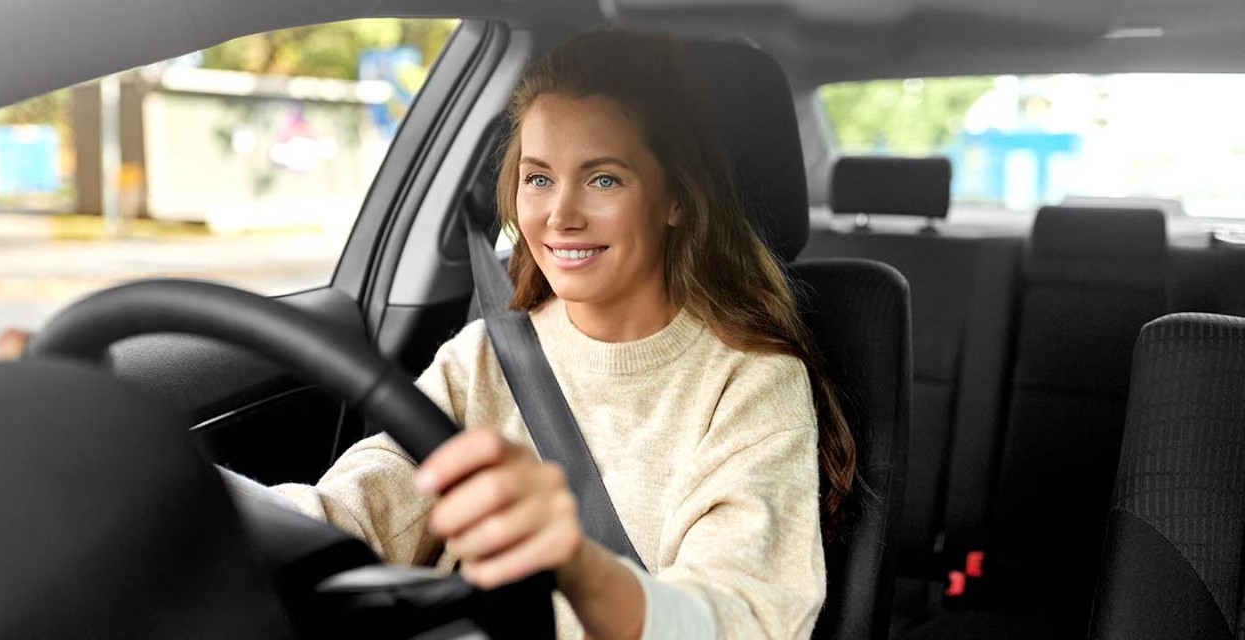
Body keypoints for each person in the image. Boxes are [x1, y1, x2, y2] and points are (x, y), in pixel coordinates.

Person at [242, 29, 860, 640]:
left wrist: (581, 569)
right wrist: (189, 499)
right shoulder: (484, 357)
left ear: (675, 197)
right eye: (538, 179)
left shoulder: (749, 384)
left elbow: (743, 618)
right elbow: (354, 511)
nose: (560, 216)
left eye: (603, 179)